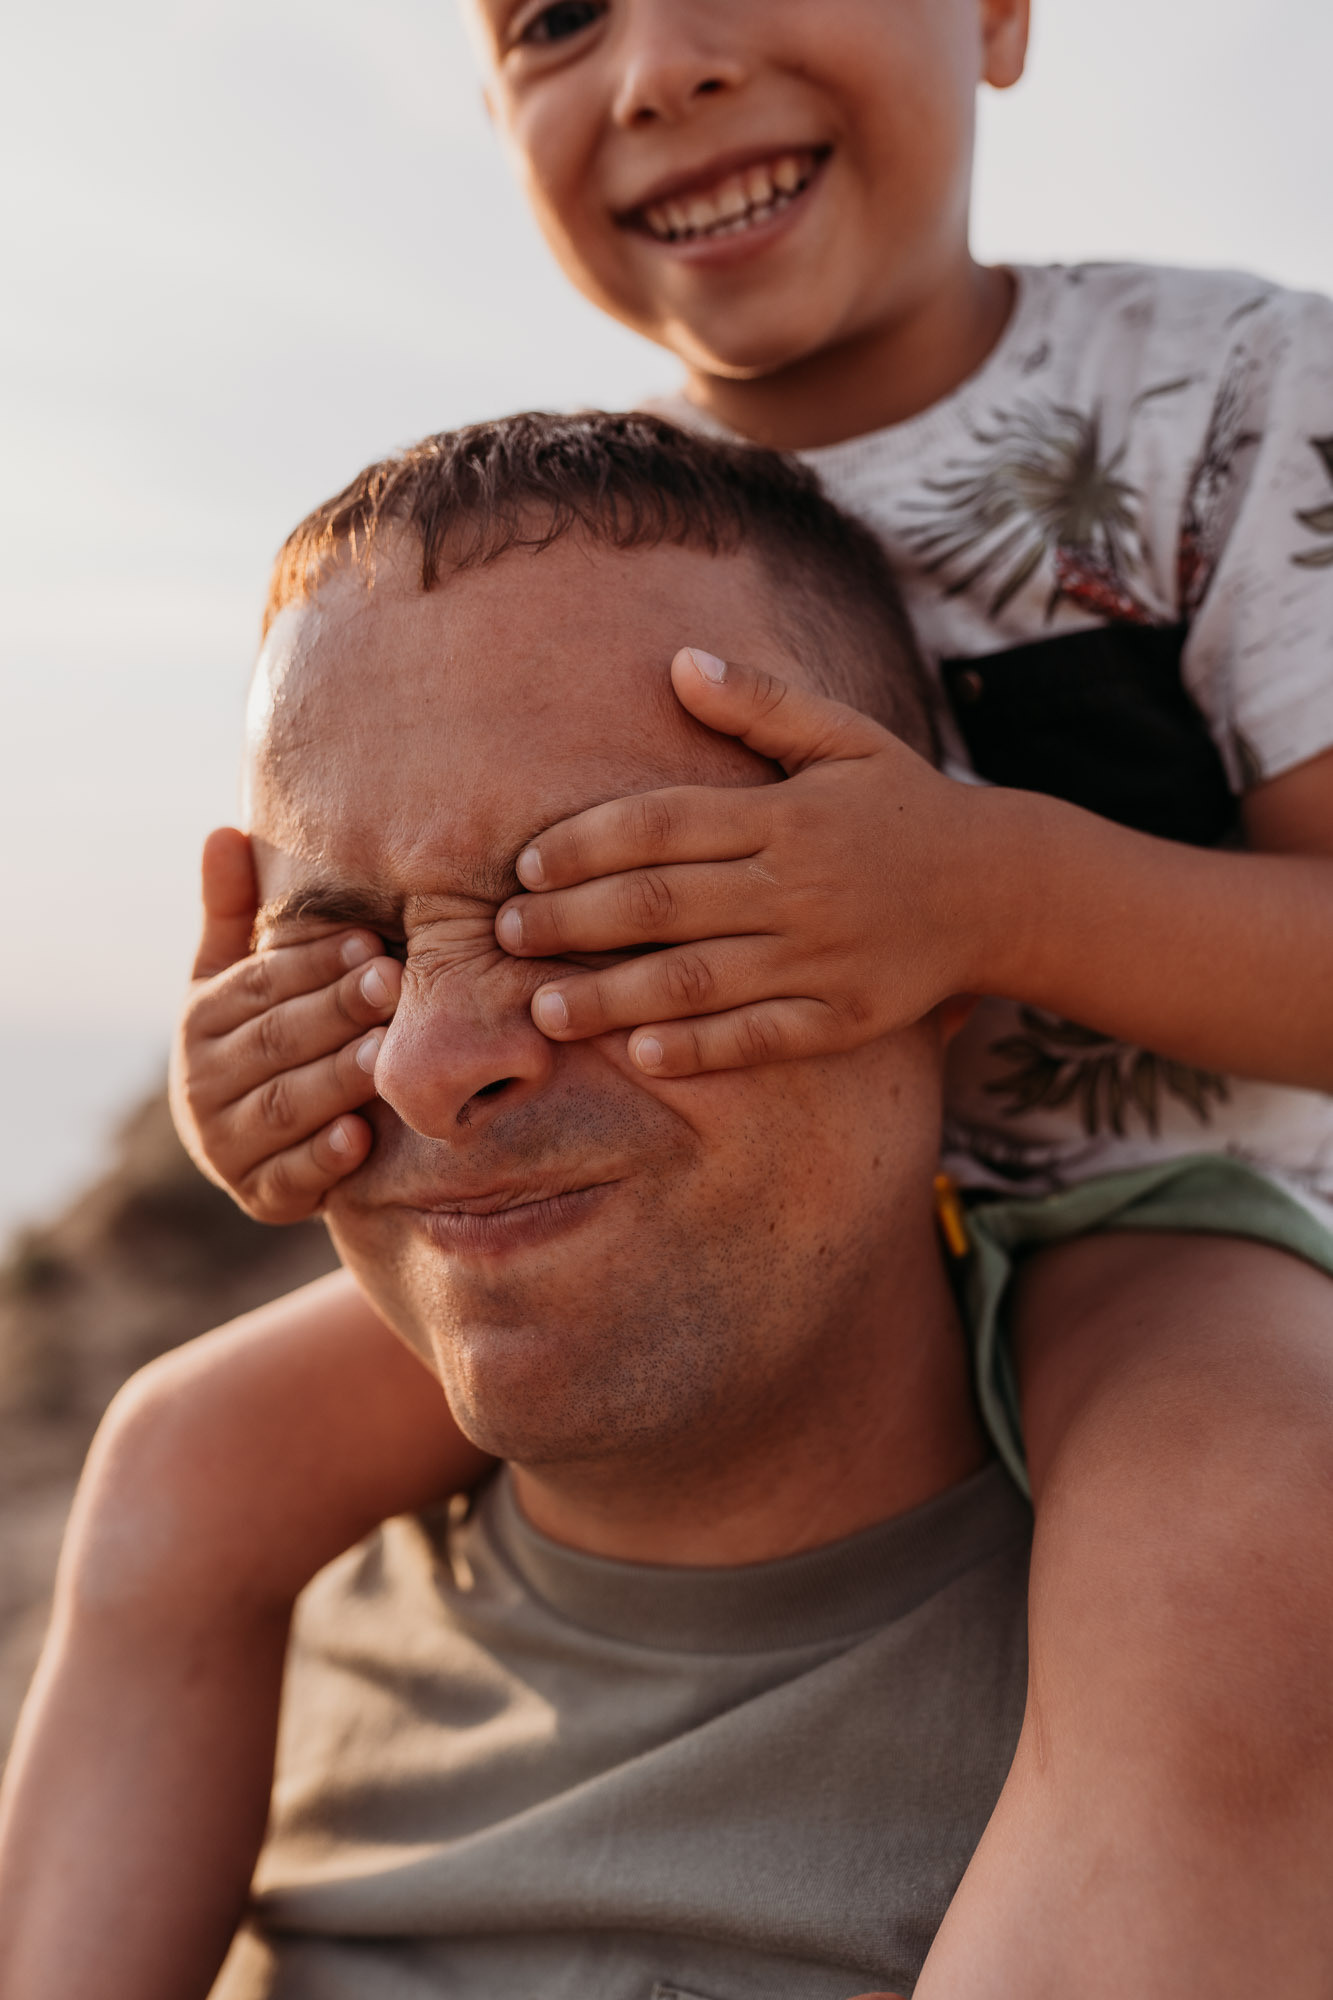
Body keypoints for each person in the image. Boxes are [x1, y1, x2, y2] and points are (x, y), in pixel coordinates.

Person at [6, 0, 1333, 1987]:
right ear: (489, 103)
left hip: (1151, 1218)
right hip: (704, 1219)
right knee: (182, 1458)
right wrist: (254, 1080)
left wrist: (992, 889)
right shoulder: (593, 529)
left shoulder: (1221, 391)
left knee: (1233, 1536)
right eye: (557, 16)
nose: (664, 66)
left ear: (994, 15)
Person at [2, 413, 1032, 2000]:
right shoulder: (233, 1606)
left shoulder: (1183, 1699)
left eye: (606, 912)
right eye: (344, 953)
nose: (429, 1064)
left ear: (946, 963)